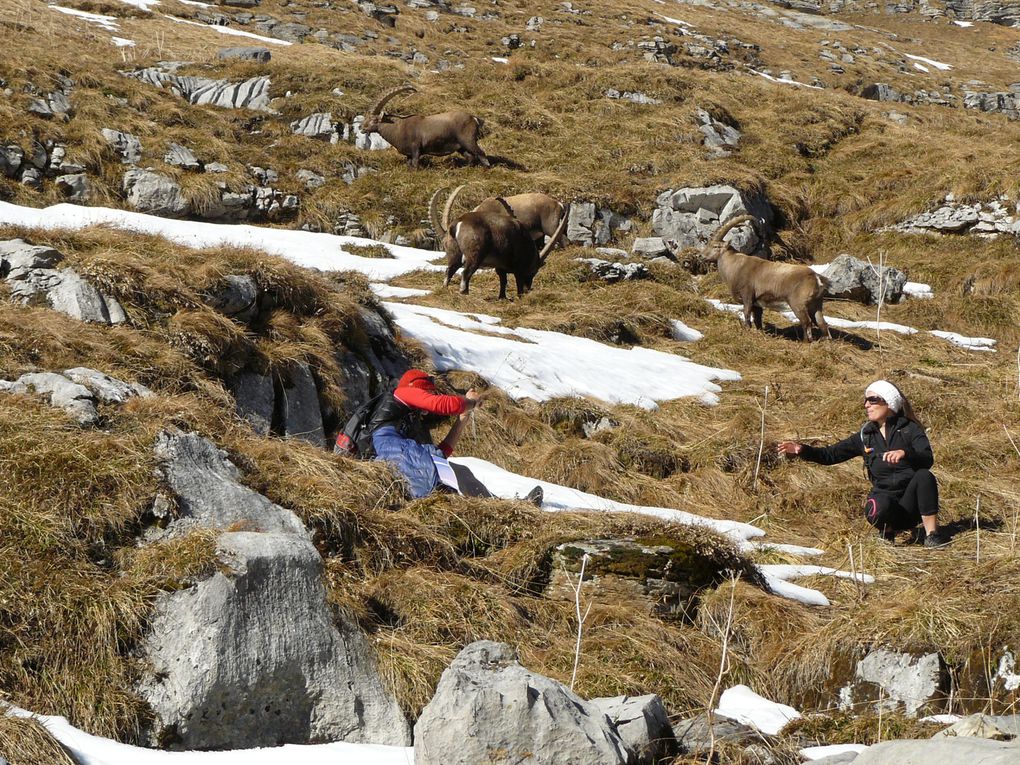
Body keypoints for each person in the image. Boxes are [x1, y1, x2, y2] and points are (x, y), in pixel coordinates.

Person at [776, 380, 948, 548]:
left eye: (872, 400)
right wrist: (802, 450)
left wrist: (905, 454)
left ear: (888, 403)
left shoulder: (910, 429)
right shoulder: (865, 436)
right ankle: (887, 532)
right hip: (885, 503)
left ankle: (931, 535)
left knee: (924, 476)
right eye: (866, 400)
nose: (866, 405)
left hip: (914, 506)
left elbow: (927, 458)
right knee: (877, 505)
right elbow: (830, 455)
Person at [367, 369, 543, 504]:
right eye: (428, 392)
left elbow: (440, 455)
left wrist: (463, 419)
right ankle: (505, 510)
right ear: (418, 388)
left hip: (396, 456)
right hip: (393, 451)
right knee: (458, 472)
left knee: (453, 479)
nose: (430, 397)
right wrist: (471, 402)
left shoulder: (409, 422)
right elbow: (444, 405)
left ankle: (502, 508)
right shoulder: (401, 393)